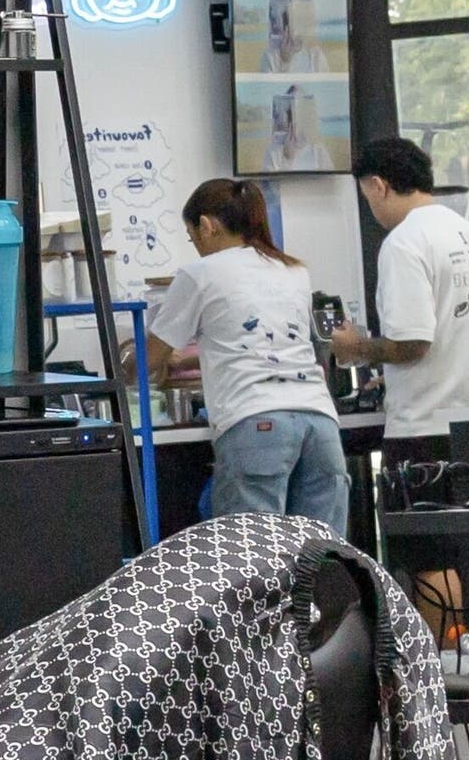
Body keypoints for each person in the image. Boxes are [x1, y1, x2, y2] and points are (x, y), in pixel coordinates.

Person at [148, 176, 347, 536]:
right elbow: (264, 344)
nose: (195, 246)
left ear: (206, 226)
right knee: (321, 559)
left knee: (250, 564)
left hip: (255, 422)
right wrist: (190, 361)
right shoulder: (293, 270)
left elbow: (149, 358)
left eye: (192, 237)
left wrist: (123, 369)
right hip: (321, 424)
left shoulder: (200, 273)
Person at [334, 133, 469, 446]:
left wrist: (356, 349)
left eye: (367, 198)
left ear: (379, 186)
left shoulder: (404, 242)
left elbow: (412, 343)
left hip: (428, 432)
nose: (372, 209)